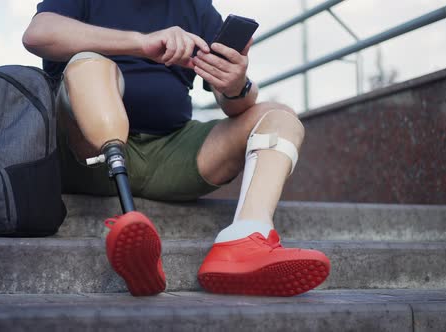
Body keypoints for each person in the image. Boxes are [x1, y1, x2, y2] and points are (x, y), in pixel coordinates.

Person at [23, 0, 330, 297]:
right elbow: (39, 33)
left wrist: (236, 85)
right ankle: (133, 229)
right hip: (89, 153)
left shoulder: (197, 8)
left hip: (169, 152)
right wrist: (141, 43)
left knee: (279, 117)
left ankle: (245, 238)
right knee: (88, 65)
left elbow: (233, 105)